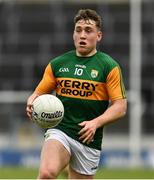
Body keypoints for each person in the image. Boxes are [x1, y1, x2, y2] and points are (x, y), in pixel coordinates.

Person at [26, 9, 127, 179]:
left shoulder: (109, 66)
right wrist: (32, 103)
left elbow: (120, 107)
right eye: (78, 30)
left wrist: (96, 123)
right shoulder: (58, 64)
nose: (82, 35)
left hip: (89, 138)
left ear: (99, 36)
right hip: (60, 129)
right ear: (73, 34)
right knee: (46, 173)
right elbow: (37, 94)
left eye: (88, 31)